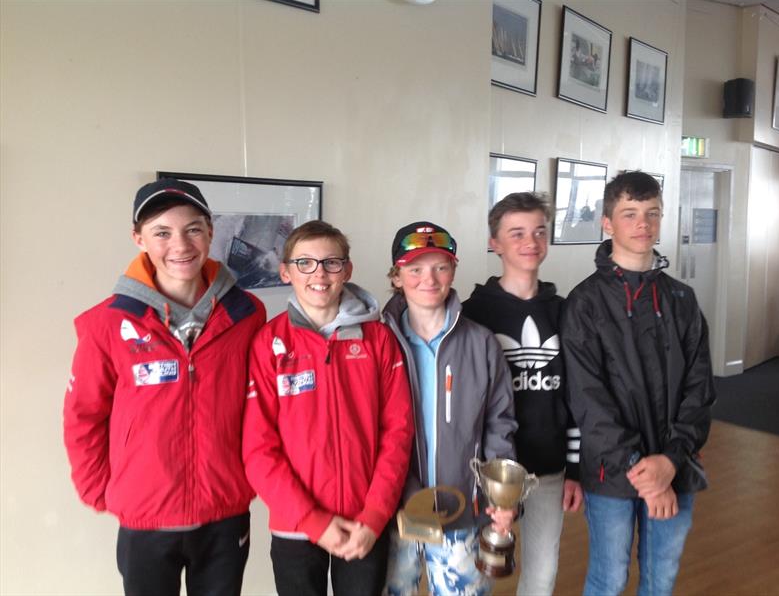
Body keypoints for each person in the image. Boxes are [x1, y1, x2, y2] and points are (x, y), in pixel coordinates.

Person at [63, 178, 266, 596]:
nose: (181, 245)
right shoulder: (105, 325)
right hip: (145, 517)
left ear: (211, 232)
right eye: (162, 232)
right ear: (138, 239)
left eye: (193, 228)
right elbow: (83, 415)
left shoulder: (248, 314)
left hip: (224, 511)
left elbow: (260, 406)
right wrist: (101, 490)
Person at [561, 171, 715, 596]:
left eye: (652, 214)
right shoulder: (584, 304)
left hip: (677, 467)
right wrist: (639, 470)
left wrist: (669, 462)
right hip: (611, 472)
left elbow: (700, 390)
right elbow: (587, 400)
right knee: (608, 579)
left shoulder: (682, 300)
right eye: (629, 214)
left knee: (660, 579)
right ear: (607, 223)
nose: (642, 224)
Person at [242, 220, 414, 596]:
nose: (319, 273)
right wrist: (312, 521)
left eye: (331, 262)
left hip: (364, 524)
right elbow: (258, 450)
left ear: (347, 270)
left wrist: (374, 516)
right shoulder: (268, 344)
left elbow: (398, 434)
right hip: (295, 525)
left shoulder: (379, 340)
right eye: (305, 263)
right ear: (286, 272)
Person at [382, 221, 518, 596]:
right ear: (396, 276)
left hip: (461, 512)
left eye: (440, 266)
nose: (429, 278)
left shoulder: (482, 343)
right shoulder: (376, 342)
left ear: (453, 270)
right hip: (392, 513)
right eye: (415, 268)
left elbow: (499, 425)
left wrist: (501, 500)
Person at [462, 192, 583, 596]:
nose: (530, 242)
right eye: (516, 233)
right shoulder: (472, 313)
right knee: (477, 573)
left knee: (542, 573)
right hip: (486, 472)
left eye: (538, 232)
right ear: (494, 243)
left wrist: (576, 469)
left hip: (547, 470)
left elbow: (577, 398)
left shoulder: (564, 312)